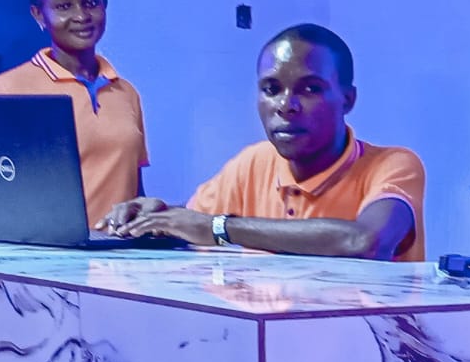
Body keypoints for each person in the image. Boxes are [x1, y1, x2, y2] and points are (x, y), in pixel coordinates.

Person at [101, 24, 425, 261]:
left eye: (310, 89)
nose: (285, 105)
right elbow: (198, 221)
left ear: (348, 100)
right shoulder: (254, 162)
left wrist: (220, 229)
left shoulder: (393, 165)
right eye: (271, 89)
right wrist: (157, 216)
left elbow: (366, 242)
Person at [0, 0, 148, 228]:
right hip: (42, 250)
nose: (81, 16)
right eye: (63, 6)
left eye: (91, 3)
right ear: (39, 14)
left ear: (105, 5)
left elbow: (134, 190)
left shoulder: (126, 93)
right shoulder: (9, 88)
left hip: (118, 250)